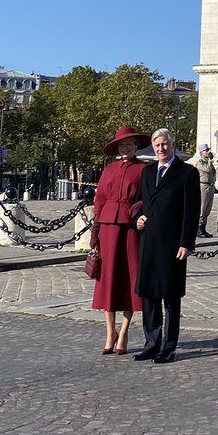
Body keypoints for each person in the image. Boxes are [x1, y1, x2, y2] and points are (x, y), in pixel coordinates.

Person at [134, 128, 200, 365]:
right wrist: (138, 218)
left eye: (164, 144)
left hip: (173, 244)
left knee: (170, 297)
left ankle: (169, 346)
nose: (161, 149)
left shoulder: (187, 173)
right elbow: (140, 203)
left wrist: (186, 243)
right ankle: (151, 344)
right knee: (149, 296)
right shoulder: (147, 171)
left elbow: (192, 212)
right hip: (149, 242)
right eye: (157, 145)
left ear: (172, 145)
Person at [92, 126, 149, 356]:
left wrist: (139, 215)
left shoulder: (144, 170)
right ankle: (109, 332)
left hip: (130, 229)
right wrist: (95, 232)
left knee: (128, 279)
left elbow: (145, 198)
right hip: (107, 227)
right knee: (108, 280)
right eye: (121, 145)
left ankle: (124, 331)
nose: (125, 148)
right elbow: (100, 199)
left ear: (136, 146)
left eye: (129, 144)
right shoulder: (109, 169)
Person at [193, 144, 216, 238]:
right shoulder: (200, 162)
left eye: (208, 150)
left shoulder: (208, 162)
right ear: (201, 153)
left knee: (208, 208)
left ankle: (203, 228)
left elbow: (213, 172)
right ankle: (199, 229)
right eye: (206, 150)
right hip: (203, 185)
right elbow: (207, 170)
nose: (208, 152)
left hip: (210, 185)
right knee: (203, 208)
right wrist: (210, 161)